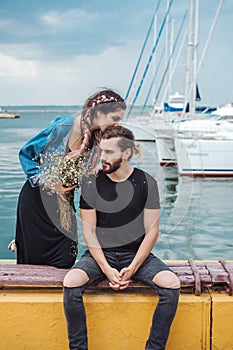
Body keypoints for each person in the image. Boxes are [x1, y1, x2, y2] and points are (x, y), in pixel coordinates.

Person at [63, 125, 180, 349]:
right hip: (100, 256)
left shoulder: (147, 182)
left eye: (109, 152)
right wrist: (106, 269)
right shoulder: (91, 183)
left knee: (171, 284)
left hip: (137, 255)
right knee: (71, 282)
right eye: (101, 151)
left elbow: (152, 232)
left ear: (126, 154)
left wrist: (133, 267)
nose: (102, 158)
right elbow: (88, 231)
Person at [9, 89, 126, 268]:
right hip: (36, 203)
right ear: (100, 112)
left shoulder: (97, 137)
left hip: (65, 203)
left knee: (66, 257)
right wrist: (48, 182)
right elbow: (26, 153)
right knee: (33, 260)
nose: (117, 124)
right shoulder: (63, 127)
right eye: (115, 118)